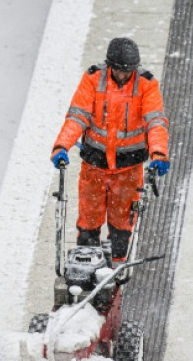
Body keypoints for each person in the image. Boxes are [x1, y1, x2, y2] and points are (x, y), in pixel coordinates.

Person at [50, 37, 170, 266]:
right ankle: (87, 262)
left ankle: (116, 267)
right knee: (89, 220)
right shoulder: (93, 78)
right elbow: (78, 116)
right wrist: (61, 146)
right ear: (109, 65)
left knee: (122, 223)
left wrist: (159, 153)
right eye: (119, 70)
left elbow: (155, 122)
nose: (124, 75)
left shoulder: (146, 84)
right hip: (94, 164)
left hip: (129, 167)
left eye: (128, 71)